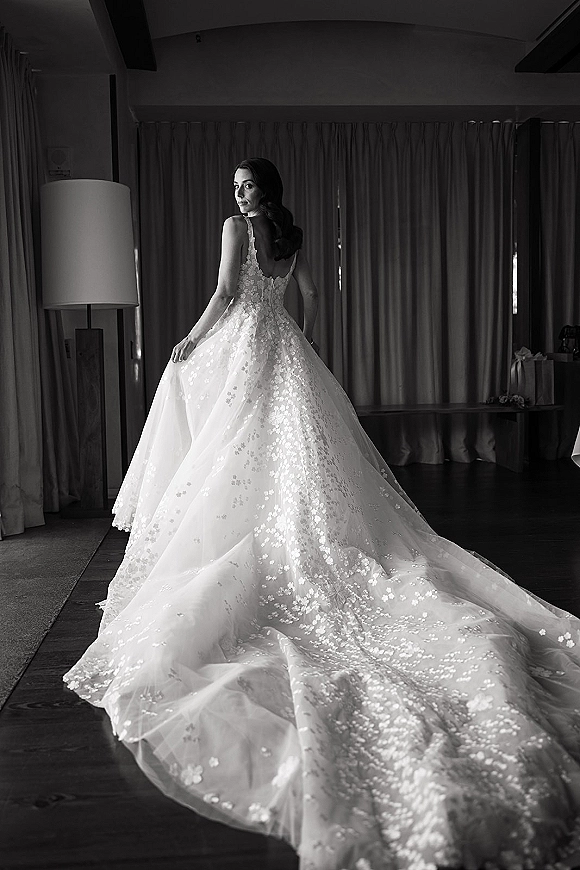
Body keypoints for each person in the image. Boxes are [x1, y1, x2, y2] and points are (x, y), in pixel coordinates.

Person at [65, 158, 580, 870]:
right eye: (238, 186)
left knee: (224, 439)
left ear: (259, 192)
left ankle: (248, 539)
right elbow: (304, 297)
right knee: (287, 455)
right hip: (285, 349)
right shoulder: (289, 234)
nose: (240, 195)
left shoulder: (234, 229)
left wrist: (191, 338)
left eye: (247, 186)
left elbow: (222, 292)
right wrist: (290, 335)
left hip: (248, 345)